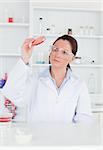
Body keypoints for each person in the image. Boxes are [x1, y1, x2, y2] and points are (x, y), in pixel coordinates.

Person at [1, 35, 92, 123]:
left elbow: (84, 119)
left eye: (64, 52)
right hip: (37, 137)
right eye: (55, 49)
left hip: (65, 137)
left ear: (72, 58)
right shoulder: (35, 80)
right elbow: (12, 93)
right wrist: (25, 58)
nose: (57, 54)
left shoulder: (79, 84)